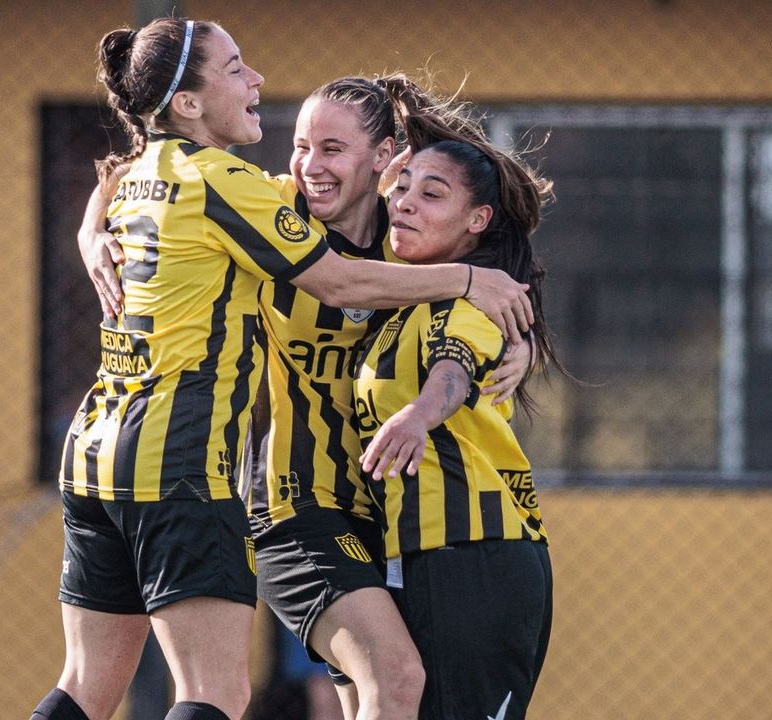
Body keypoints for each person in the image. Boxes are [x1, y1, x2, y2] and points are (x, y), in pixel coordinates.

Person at [31, 17, 534, 720]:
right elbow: (142, 177)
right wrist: (92, 231)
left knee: (373, 695)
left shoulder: (409, 243)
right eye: (301, 146)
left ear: (386, 159)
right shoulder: (265, 203)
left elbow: (485, 290)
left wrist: (515, 335)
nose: (308, 165)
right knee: (378, 678)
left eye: (332, 148)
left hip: (380, 512)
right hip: (287, 504)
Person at [353, 129, 562, 720]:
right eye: (402, 187)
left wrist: (419, 414)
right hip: (417, 551)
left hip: (476, 553)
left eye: (432, 194)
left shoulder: (475, 299)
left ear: (477, 220)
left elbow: (454, 368)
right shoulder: (404, 293)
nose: (405, 203)